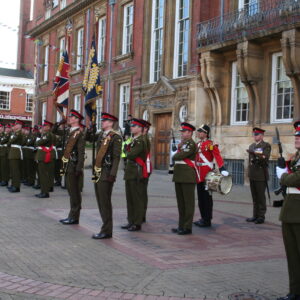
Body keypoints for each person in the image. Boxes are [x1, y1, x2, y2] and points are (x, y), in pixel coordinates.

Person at [87, 112, 122, 239]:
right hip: (98, 171)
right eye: (102, 121)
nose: (102, 122)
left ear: (111, 123)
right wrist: (90, 128)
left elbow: (116, 157)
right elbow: (89, 138)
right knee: (100, 200)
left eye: (105, 121)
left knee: (105, 201)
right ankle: (105, 228)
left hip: (106, 173)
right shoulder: (101, 135)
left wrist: (113, 174)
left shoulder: (115, 137)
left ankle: (107, 230)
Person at [276, 120, 300, 300]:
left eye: (299, 137)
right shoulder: (297, 157)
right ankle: (295, 291)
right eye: (296, 136)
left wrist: (283, 176)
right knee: (292, 256)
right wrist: (284, 166)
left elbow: (296, 180)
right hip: (291, 210)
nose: (297, 139)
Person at [193, 124, 229, 228]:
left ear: (206, 133)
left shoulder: (210, 144)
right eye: (199, 131)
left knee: (207, 198)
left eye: (201, 132)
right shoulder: (197, 144)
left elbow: (217, 156)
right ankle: (203, 217)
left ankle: (207, 219)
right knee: (200, 198)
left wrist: (222, 168)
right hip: (198, 174)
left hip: (207, 175)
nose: (199, 133)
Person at [54, 109, 85, 225]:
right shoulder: (69, 131)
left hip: (73, 165)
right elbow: (54, 131)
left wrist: (79, 168)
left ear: (77, 120)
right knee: (71, 191)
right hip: (67, 164)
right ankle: (72, 215)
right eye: (70, 117)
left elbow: (81, 152)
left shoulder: (79, 133)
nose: (70, 118)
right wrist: (59, 122)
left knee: (74, 192)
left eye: (72, 117)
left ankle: (74, 216)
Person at [122, 118, 148, 232]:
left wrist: (127, 151)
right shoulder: (134, 140)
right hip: (130, 171)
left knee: (136, 198)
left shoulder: (140, 141)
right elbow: (126, 150)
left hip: (136, 172)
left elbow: (131, 155)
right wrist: (127, 150)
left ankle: (137, 223)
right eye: (131, 126)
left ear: (140, 128)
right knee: (130, 198)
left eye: (134, 126)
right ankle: (131, 221)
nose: (131, 127)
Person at [172, 122, 198, 235]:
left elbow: (179, 156)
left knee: (188, 203)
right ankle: (181, 225)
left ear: (190, 133)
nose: (182, 134)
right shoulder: (183, 144)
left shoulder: (191, 144)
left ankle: (187, 227)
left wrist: (175, 154)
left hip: (187, 176)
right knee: (181, 203)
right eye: (182, 132)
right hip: (179, 175)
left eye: (184, 132)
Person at [246, 127, 271, 224]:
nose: (255, 136)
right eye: (254, 134)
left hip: (261, 174)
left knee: (261, 196)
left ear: (261, 136)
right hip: (253, 173)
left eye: (256, 134)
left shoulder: (266, 145)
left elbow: (265, 157)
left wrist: (256, 154)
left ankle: (261, 216)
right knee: (254, 196)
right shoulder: (251, 145)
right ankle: (255, 215)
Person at [35, 120, 56, 198]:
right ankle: (44, 191)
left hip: (43, 155)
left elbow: (38, 143)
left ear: (48, 127)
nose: (43, 127)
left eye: (45, 126)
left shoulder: (47, 135)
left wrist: (38, 141)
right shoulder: (48, 134)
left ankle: (45, 192)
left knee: (43, 175)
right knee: (44, 174)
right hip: (45, 155)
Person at [7, 119, 24, 193]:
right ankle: (14, 185)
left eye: (16, 124)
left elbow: (10, 141)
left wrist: (12, 131)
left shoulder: (19, 133)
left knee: (15, 171)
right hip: (13, 153)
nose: (14, 126)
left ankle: (16, 187)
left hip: (16, 153)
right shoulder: (15, 133)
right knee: (13, 171)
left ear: (19, 126)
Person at [140, 119, 152, 222]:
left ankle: (141, 215)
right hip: (141, 167)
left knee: (142, 192)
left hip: (144, 168)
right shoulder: (142, 138)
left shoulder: (145, 138)